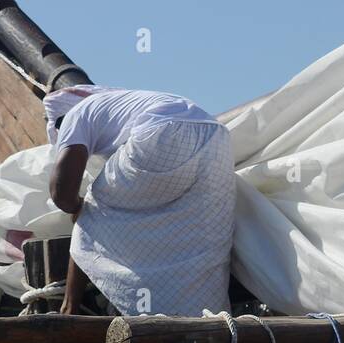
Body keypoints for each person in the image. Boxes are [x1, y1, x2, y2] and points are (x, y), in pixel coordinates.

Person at [43, 85, 235, 318]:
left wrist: (78, 208)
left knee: (92, 211)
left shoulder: (74, 115)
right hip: (219, 139)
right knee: (202, 239)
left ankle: (69, 309)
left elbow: (61, 194)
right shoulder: (127, 105)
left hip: (162, 132)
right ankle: (208, 322)